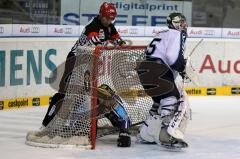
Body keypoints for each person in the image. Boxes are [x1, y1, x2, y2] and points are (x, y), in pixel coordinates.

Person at [41, 2, 131, 147]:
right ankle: (47, 123)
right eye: (107, 18)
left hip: (89, 61)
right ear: (101, 15)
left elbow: (118, 40)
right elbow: (94, 40)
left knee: (87, 92)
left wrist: (121, 44)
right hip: (75, 60)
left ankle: (81, 123)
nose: (109, 21)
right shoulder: (93, 25)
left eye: (112, 19)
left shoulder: (109, 26)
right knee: (65, 92)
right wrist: (111, 43)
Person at [136, 12, 191, 149]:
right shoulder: (177, 34)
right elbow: (172, 57)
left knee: (158, 102)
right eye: (182, 22)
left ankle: (144, 134)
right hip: (157, 70)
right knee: (172, 98)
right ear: (176, 23)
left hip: (144, 70)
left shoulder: (161, 33)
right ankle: (165, 135)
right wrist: (182, 66)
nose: (185, 25)